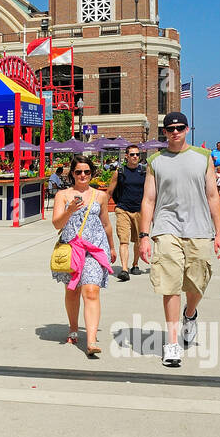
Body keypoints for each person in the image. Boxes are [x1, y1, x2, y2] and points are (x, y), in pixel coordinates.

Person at [139, 112, 220, 368]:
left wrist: (219, 233)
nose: (174, 132)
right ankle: (172, 342)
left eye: (179, 128)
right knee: (170, 283)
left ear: (187, 129)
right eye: (169, 129)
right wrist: (144, 236)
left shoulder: (203, 157)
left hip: (199, 228)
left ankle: (191, 314)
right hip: (166, 228)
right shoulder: (155, 161)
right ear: (164, 132)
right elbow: (149, 200)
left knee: (197, 281)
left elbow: (212, 196)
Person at [51, 155, 117, 356]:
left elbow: (106, 224)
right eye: (78, 171)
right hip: (72, 249)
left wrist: (112, 247)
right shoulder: (63, 195)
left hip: (95, 249)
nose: (82, 175)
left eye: (86, 172)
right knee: (72, 292)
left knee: (91, 291)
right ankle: (73, 327)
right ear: (72, 173)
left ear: (92, 173)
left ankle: (90, 340)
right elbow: (56, 224)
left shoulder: (100, 196)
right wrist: (69, 210)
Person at [106, 144, 147, 280]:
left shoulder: (144, 172)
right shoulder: (120, 172)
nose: (135, 157)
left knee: (139, 241)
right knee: (124, 240)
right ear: (127, 156)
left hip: (140, 211)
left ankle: (135, 264)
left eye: (137, 154)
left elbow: (151, 193)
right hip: (122, 209)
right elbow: (110, 191)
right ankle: (124, 269)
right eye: (132, 154)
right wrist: (102, 209)